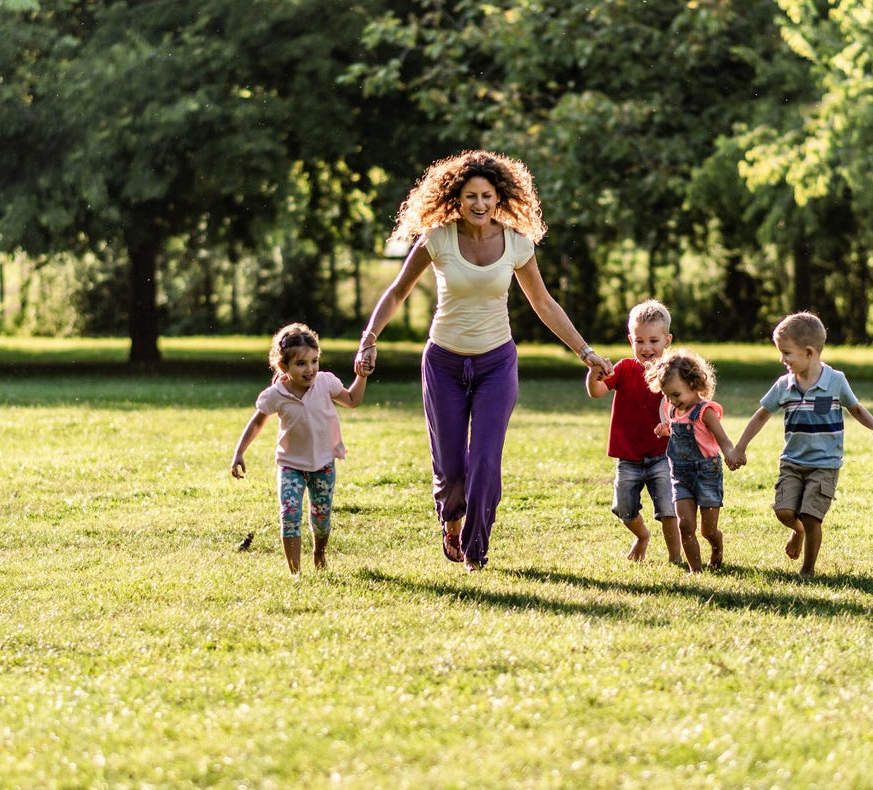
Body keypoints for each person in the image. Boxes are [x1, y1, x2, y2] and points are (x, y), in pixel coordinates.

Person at [353, 150, 614, 573]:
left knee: (486, 459)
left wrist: (585, 353)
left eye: (487, 196)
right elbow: (398, 291)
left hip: (496, 363)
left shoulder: (516, 242)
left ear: (500, 199)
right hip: (443, 364)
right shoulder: (436, 238)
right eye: (470, 196)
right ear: (456, 199)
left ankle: (476, 549)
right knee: (452, 465)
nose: (479, 204)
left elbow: (544, 304)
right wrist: (369, 339)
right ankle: (451, 522)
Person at [728, 312, 873, 577]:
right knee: (783, 511)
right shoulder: (784, 385)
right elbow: (762, 415)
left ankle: (808, 568)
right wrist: (740, 447)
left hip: (825, 464)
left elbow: (855, 408)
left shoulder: (835, 380)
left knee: (813, 516)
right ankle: (797, 530)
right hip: (792, 462)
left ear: (809, 352)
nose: (782, 360)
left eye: (786, 353)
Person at [231, 323, 368, 575]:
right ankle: (295, 573)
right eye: (301, 364)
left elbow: (352, 400)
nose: (310, 369)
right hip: (290, 465)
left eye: (314, 361)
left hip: (323, 464)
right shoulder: (276, 394)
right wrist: (239, 451)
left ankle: (319, 553)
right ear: (284, 366)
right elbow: (257, 422)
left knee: (321, 518)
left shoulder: (325, 382)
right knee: (289, 515)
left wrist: (362, 375)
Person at [585, 299, 682, 564]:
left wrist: (672, 425)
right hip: (628, 456)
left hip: (663, 455)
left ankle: (676, 558)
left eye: (654, 341)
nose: (647, 348)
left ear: (667, 340)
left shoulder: (674, 373)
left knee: (668, 508)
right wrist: (594, 373)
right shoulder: (626, 368)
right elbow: (596, 392)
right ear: (631, 340)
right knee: (623, 508)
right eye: (640, 341)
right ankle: (642, 536)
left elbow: (686, 407)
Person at [646, 348, 736, 574]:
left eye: (676, 395)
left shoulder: (705, 412)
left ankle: (716, 546)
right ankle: (696, 570)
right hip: (681, 476)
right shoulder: (673, 411)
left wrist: (731, 454)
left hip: (706, 474)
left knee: (708, 530)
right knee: (685, 525)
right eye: (667, 396)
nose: (672, 401)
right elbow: (680, 434)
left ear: (694, 385)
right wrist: (667, 430)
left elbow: (722, 439)